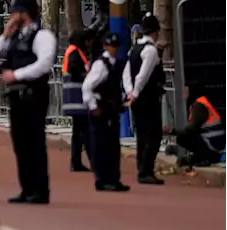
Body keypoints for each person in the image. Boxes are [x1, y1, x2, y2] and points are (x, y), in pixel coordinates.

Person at [0, 0, 56, 204]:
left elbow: (44, 64)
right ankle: (26, 188)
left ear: (25, 13)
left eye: (15, 12)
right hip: (15, 96)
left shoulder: (42, 36)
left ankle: (39, 190)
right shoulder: (14, 36)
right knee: (19, 143)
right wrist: (5, 35)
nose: (12, 16)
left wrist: (16, 75)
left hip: (33, 94)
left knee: (34, 141)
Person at [81, 31, 129, 192]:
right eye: (111, 45)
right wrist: (93, 106)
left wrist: (122, 100)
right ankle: (102, 179)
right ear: (105, 46)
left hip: (111, 109)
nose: (114, 49)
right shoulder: (101, 65)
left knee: (113, 146)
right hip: (100, 110)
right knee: (100, 145)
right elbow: (87, 87)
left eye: (116, 46)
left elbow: (116, 87)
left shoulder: (117, 64)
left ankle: (114, 178)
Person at [123, 14, 165, 185]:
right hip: (148, 98)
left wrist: (129, 91)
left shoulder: (133, 49)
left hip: (136, 97)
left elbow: (126, 72)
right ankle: (146, 170)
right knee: (153, 134)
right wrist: (137, 92)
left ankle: (142, 167)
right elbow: (144, 75)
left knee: (141, 134)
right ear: (156, 31)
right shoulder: (151, 50)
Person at [61, 29, 92, 173]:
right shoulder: (74, 52)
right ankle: (91, 160)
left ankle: (76, 161)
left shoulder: (72, 50)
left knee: (78, 132)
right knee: (84, 131)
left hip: (74, 98)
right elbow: (75, 68)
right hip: (77, 98)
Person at [175, 81, 224, 168]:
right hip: (215, 145)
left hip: (212, 145)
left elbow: (190, 129)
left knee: (182, 137)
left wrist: (172, 131)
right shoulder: (201, 102)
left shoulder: (199, 105)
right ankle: (199, 157)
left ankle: (204, 157)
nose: (183, 94)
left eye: (186, 91)